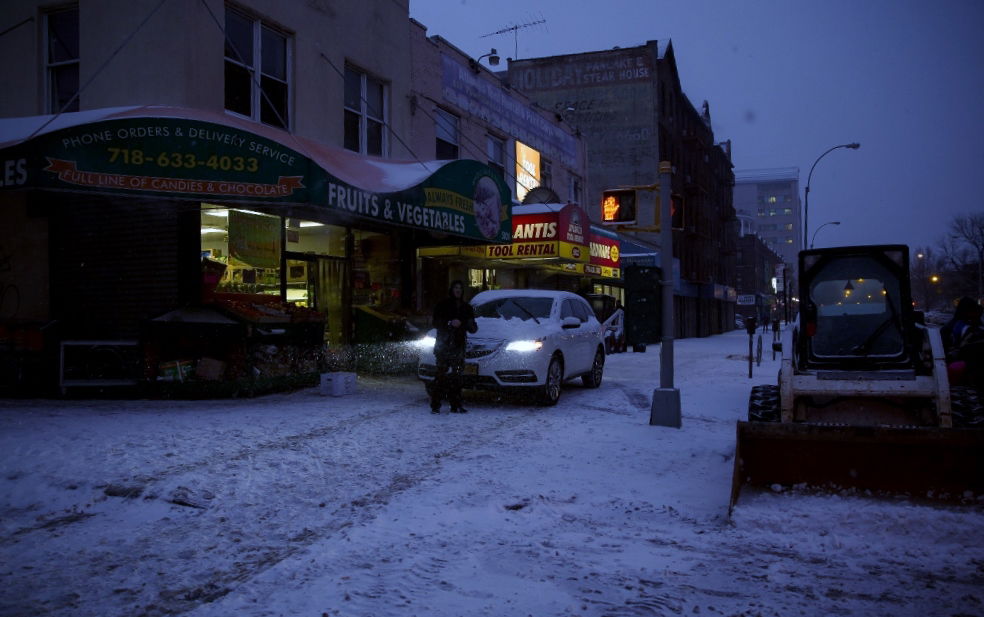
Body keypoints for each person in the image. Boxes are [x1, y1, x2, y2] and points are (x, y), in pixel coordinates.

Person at [429, 280, 477, 414]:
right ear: (451, 289)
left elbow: (473, 328)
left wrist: (467, 324)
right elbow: (436, 322)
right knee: (441, 375)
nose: (458, 290)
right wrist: (449, 323)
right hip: (444, 345)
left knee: (456, 377)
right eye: (456, 288)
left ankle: (456, 404)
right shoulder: (443, 305)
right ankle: (436, 404)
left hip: (458, 345)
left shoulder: (466, 307)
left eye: (460, 288)